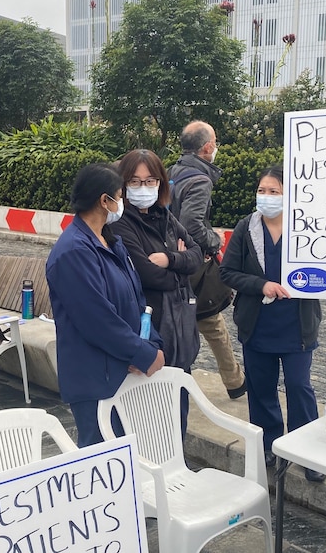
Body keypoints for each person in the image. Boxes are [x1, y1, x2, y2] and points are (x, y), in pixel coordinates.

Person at [220, 165, 326, 482]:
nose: (266, 197)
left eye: (274, 191)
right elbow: (228, 272)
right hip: (257, 324)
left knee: (300, 388)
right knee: (261, 391)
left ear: (291, 195)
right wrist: (261, 285)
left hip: (297, 326)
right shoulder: (247, 228)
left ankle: (308, 454)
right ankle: (269, 446)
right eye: (262, 190)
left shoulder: (311, 228)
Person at [46, 163, 165, 447]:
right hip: (96, 378)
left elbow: (136, 300)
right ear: (104, 201)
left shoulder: (110, 241)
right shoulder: (74, 252)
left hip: (123, 368)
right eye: (119, 196)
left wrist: (150, 344)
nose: (122, 202)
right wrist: (143, 354)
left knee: (129, 457)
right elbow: (97, 321)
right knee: (103, 462)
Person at [109, 149, 201, 437]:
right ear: (122, 185)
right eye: (134, 182)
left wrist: (171, 259)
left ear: (161, 183)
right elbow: (146, 274)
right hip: (147, 329)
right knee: (144, 417)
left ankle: (177, 463)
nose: (143, 189)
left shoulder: (166, 216)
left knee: (176, 412)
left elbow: (197, 255)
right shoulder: (121, 223)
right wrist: (179, 269)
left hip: (179, 328)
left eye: (150, 181)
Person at [168, 120, 247, 400]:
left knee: (189, 319)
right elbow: (191, 224)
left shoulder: (171, 173)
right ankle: (234, 381)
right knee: (210, 319)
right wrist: (215, 240)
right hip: (193, 264)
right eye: (215, 142)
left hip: (171, 261)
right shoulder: (200, 180)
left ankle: (230, 379)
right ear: (208, 147)